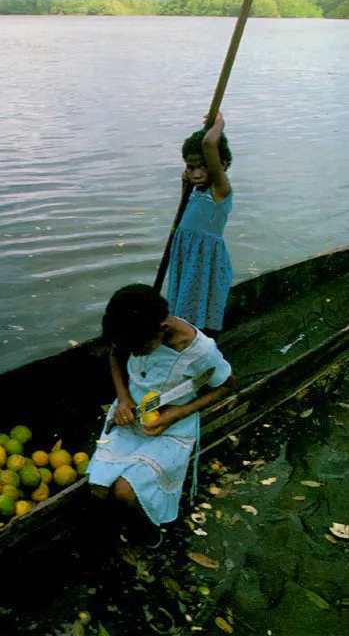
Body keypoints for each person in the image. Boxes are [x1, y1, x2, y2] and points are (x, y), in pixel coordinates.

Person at [87, 283, 234, 534]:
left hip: (173, 425)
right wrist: (123, 399)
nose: (134, 353)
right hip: (130, 416)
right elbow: (116, 354)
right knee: (98, 488)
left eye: (139, 350)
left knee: (125, 491)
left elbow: (227, 386)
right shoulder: (133, 332)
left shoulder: (200, 351)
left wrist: (177, 413)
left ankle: (148, 532)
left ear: (162, 329)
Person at [166, 111, 233, 338]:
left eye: (202, 167)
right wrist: (185, 183)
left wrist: (218, 124)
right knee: (183, 303)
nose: (195, 174)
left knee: (198, 308)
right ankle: (185, 339)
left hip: (204, 259)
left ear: (220, 165)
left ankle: (199, 344)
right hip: (187, 255)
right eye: (190, 167)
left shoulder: (220, 190)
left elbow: (209, 143)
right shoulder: (195, 189)